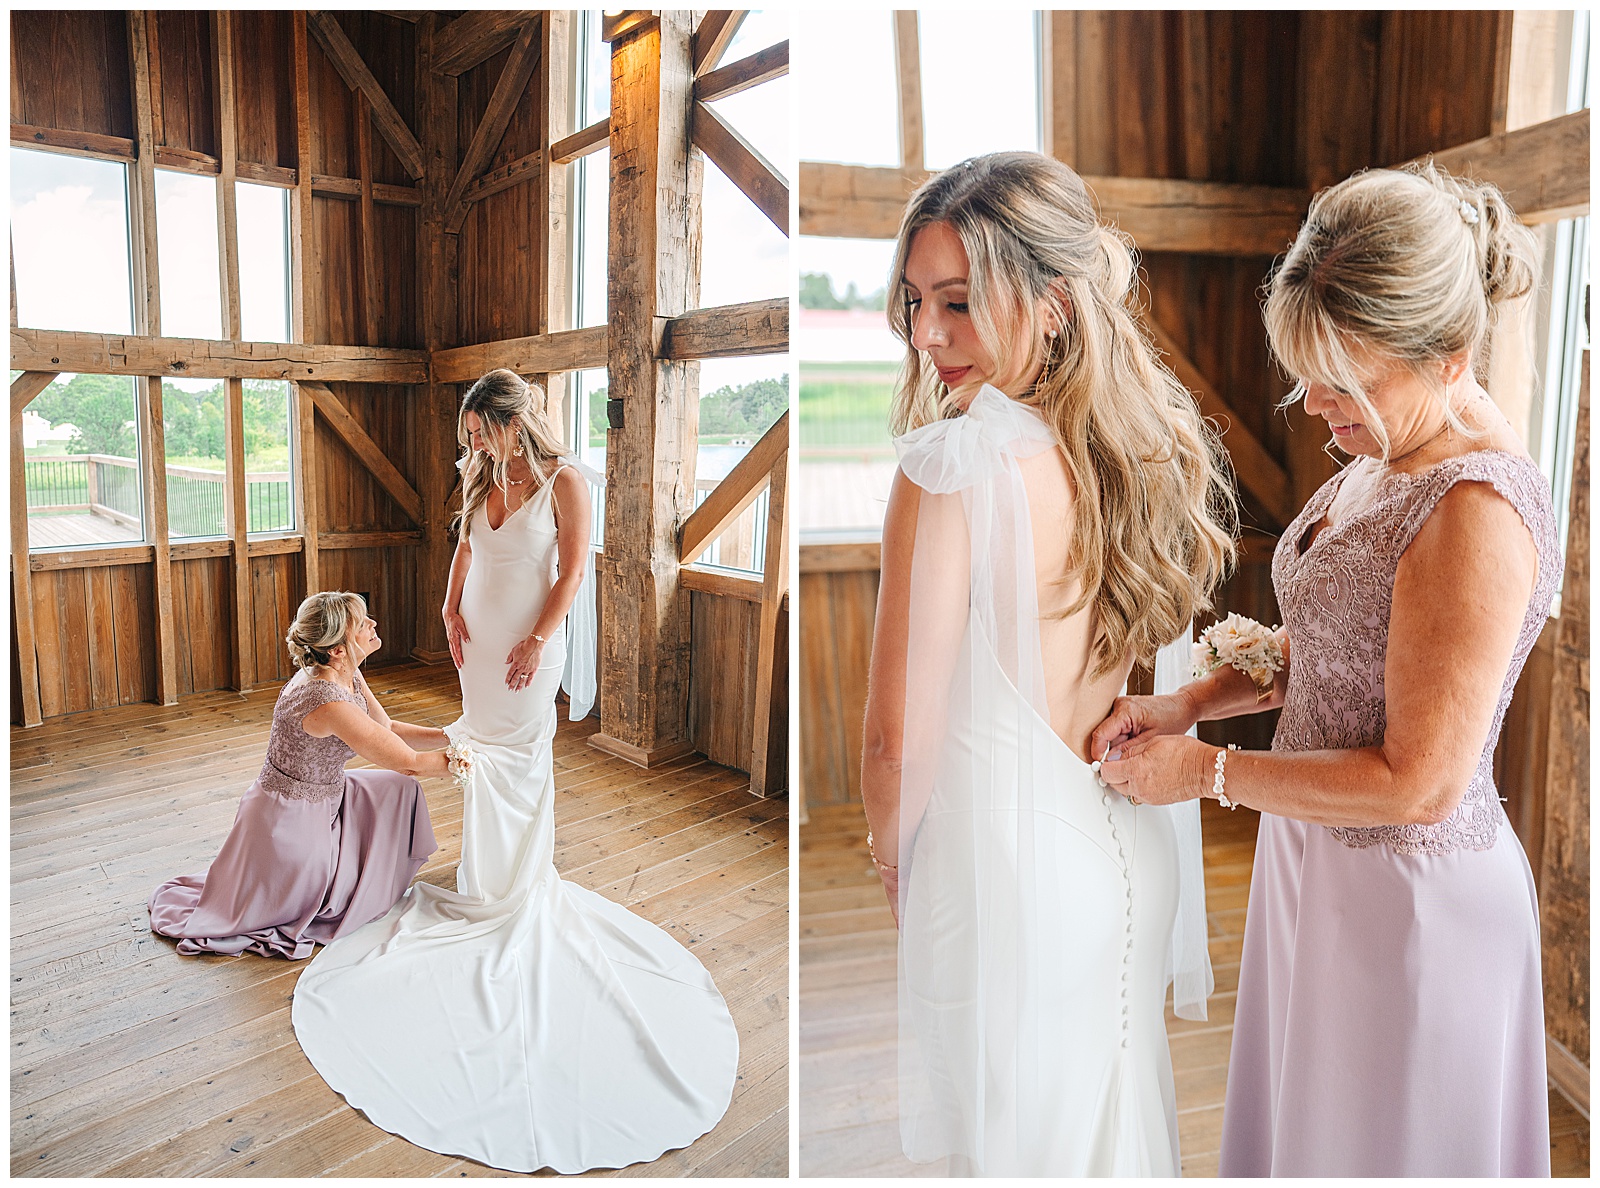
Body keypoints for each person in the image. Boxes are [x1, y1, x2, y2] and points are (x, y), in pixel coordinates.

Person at [1093, 163, 1555, 1176]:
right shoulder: (1390, 453)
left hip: (1410, 907)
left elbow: (1418, 782)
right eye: (1305, 371)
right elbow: (1339, 650)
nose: (1311, 405)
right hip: (1318, 859)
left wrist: (1201, 774)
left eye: (1343, 380)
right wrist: (1189, 704)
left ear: (1448, 356)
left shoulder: (1473, 512)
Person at [859, 151, 1240, 1177]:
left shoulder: (951, 468)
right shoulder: (1138, 451)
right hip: (1125, 854)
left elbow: (897, 733)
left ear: (1053, 303)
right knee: (1107, 1121)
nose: (928, 334)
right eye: (913, 303)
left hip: (1002, 872)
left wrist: (894, 854)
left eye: (958, 302)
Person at [290, 369, 739, 1174]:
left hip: (530, 650)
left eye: (479, 434)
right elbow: (464, 550)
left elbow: (570, 572)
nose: (473, 448)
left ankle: (515, 886)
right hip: (480, 651)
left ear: (510, 421)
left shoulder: (566, 482)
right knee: (474, 754)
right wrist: (449, 610)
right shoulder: (483, 481)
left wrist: (537, 639)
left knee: (518, 761)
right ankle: (483, 875)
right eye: (468, 440)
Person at [149, 592, 443, 959]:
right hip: (289, 819)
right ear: (337, 649)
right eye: (363, 622)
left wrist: (454, 735)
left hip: (327, 793)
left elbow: (386, 728)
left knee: (400, 790)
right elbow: (409, 761)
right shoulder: (326, 700)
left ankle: (368, 875)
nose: (374, 624)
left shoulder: (345, 673)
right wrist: (472, 757)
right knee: (403, 778)